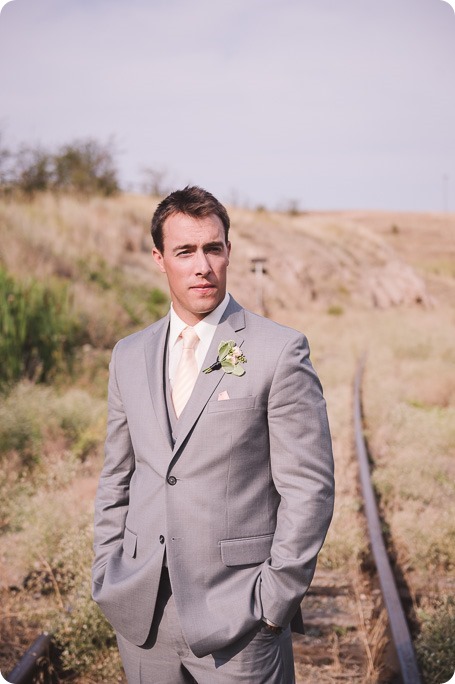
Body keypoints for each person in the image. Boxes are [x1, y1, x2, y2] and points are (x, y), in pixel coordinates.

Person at [92, 185, 334, 683]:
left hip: (239, 617)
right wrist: (106, 571)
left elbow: (309, 489)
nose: (202, 265)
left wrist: (274, 603)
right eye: (185, 251)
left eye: (213, 248)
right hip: (142, 615)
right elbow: (117, 475)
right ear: (159, 259)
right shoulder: (128, 355)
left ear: (228, 252)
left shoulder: (278, 351)